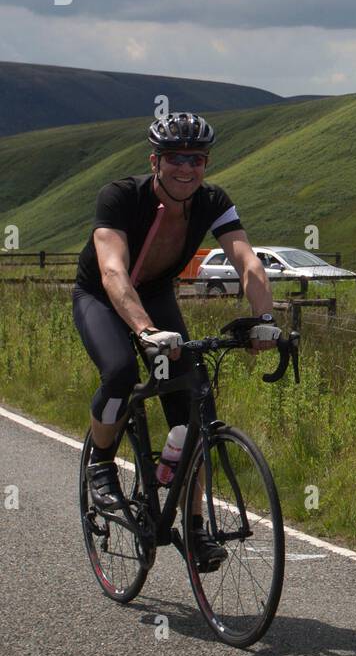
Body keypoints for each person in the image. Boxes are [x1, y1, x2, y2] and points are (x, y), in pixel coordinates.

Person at [73, 112, 279, 568]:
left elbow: (247, 261)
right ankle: (102, 463)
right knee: (121, 372)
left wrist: (264, 318)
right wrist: (144, 332)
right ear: (155, 161)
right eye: (175, 159)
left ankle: (195, 525)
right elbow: (112, 271)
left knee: (194, 409)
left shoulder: (212, 201)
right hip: (103, 298)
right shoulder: (121, 197)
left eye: (197, 159)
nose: (186, 169)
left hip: (156, 295)